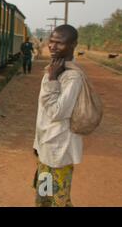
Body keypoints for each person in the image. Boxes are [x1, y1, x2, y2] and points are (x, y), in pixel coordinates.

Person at [33, 25, 84, 207]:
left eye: (59, 43)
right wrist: (37, 143)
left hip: (60, 151)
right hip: (46, 146)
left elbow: (56, 113)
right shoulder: (52, 69)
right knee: (44, 197)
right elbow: (42, 114)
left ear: (73, 45)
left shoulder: (72, 78)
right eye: (51, 41)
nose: (52, 46)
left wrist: (53, 79)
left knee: (59, 199)